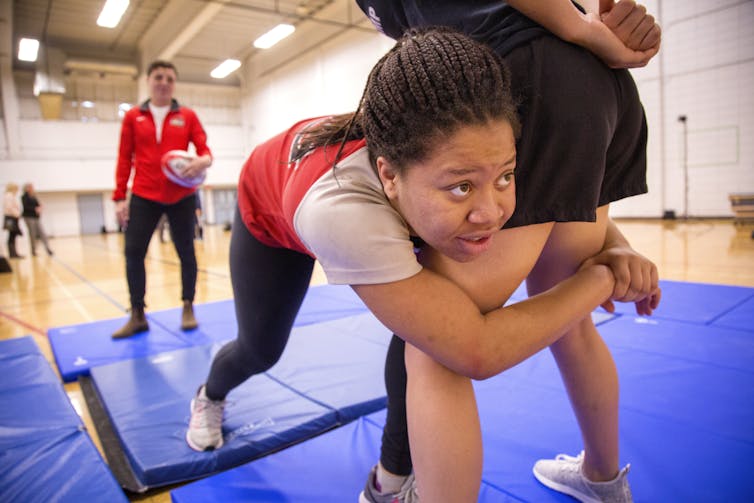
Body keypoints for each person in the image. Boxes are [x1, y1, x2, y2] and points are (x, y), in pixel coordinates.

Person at [185, 28, 657, 484]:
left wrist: (613, 244)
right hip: (269, 217)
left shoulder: (474, 155)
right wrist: (600, 279)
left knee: (425, 332)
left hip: (386, 197)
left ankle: (391, 480)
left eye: (506, 178)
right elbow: (476, 349)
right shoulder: (343, 212)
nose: (491, 213)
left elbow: (552, 205)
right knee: (260, 349)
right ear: (390, 178)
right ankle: (210, 394)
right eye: (462, 187)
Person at [353, 1, 661, 501]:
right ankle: (603, 481)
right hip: (600, 89)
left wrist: (581, 29)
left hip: (538, 75)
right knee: (565, 312)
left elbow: (469, 347)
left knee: (438, 346)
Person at [111, 60, 213, 338]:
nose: (164, 82)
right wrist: (120, 197)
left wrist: (203, 161)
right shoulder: (133, 117)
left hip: (181, 195)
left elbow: (205, 151)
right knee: (133, 252)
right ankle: (137, 314)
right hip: (144, 194)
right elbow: (124, 157)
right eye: (159, 77)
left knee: (186, 252)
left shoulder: (187, 116)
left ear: (174, 84)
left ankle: (188, 307)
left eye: (169, 78)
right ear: (148, 81)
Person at [21, 183, 54, 257]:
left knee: (43, 233)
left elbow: (38, 204)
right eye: (30, 187)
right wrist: (35, 208)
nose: (32, 188)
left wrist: (40, 207)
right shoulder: (24, 197)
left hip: (36, 217)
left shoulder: (33, 196)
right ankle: (33, 250)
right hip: (29, 217)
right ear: (27, 188)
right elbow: (25, 207)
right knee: (33, 234)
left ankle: (48, 249)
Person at [3, 183, 24, 259]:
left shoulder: (10, 195)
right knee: (12, 236)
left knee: (13, 235)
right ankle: (12, 254)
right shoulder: (9, 196)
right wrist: (17, 214)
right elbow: (9, 208)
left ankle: (14, 253)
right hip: (11, 218)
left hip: (11, 217)